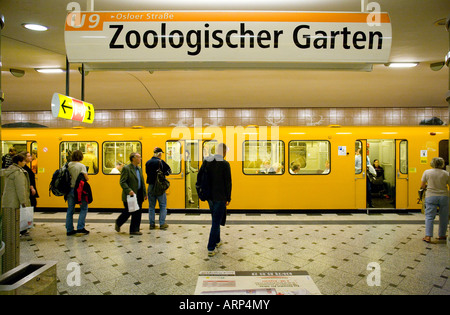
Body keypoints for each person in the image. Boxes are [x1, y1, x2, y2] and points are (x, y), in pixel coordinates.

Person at [198, 143, 232, 257]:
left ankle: (217, 241)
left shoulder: (207, 162)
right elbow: (228, 183)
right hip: (220, 197)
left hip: (209, 197)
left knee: (215, 219)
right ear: (223, 152)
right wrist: (228, 197)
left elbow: (199, 177)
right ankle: (211, 247)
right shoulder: (225, 164)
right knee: (216, 222)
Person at [1, 152, 31, 270]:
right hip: (15, 200)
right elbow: (20, 187)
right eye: (24, 161)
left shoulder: (10, 170)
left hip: (9, 199)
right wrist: (24, 201)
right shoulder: (18, 172)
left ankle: (16, 232)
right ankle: (17, 233)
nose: (25, 162)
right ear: (19, 162)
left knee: (11, 219)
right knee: (16, 218)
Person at [115, 153, 147, 235]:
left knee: (138, 212)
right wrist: (128, 190)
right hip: (130, 194)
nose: (140, 158)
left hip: (139, 193)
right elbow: (122, 182)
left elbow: (142, 182)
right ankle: (118, 222)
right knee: (128, 211)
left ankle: (134, 229)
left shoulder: (139, 169)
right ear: (133, 158)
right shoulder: (126, 168)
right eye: (139, 157)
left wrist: (144, 193)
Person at [420, 157, 449, 243]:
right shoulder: (446, 174)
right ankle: (442, 235)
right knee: (444, 217)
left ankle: (428, 236)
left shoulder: (427, 172)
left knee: (429, 216)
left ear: (432, 163)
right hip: (444, 196)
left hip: (431, 196)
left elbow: (422, 185)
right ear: (442, 164)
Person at [146, 147, 171, 230]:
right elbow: (169, 172)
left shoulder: (148, 162)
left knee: (151, 206)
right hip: (159, 187)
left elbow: (147, 173)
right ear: (160, 154)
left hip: (151, 186)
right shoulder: (161, 162)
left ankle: (152, 224)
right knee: (163, 205)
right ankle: (162, 223)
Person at [66, 150, 90, 236]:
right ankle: (80, 228)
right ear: (80, 157)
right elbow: (86, 178)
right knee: (84, 208)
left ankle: (69, 229)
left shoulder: (68, 165)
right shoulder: (81, 166)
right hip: (79, 190)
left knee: (70, 209)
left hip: (69, 190)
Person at [20, 151, 39, 234]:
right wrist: (31, 187)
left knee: (31, 205)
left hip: (30, 189)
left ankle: (27, 224)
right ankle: (25, 225)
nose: (31, 157)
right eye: (28, 156)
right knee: (29, 205)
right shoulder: (23, 168)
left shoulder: (25, 167)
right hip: (28, 190)